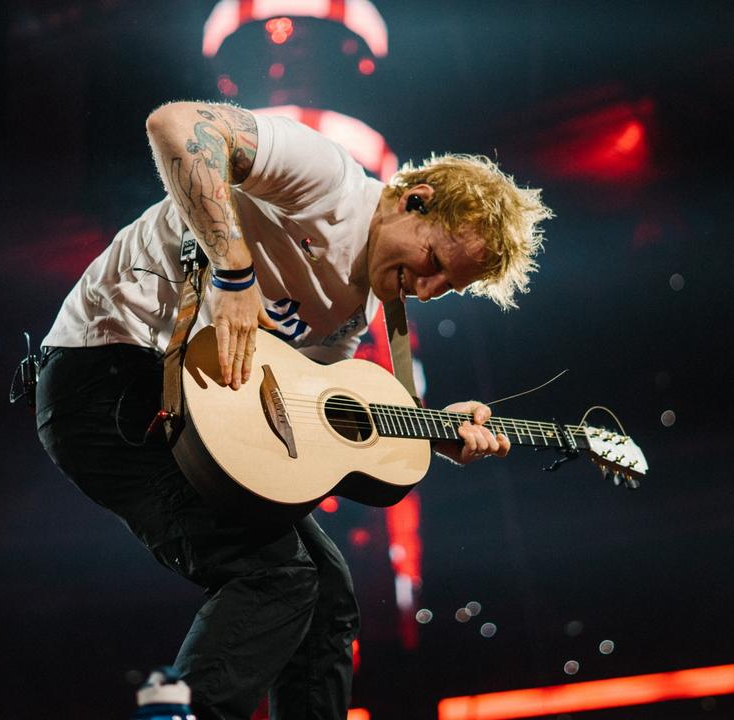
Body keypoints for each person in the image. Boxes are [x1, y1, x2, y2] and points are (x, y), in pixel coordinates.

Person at [35, 101, 551, 720]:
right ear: (415, 199)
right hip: (106, 375)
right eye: (435, 263)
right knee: (275, 576)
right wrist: (232, 272)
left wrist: (432, 433)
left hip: (185, 411)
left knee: (329, 596)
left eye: (450, 286)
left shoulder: (354, 311)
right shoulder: (327, 177)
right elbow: (173, 125)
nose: (429, 289)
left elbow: (302, 410)